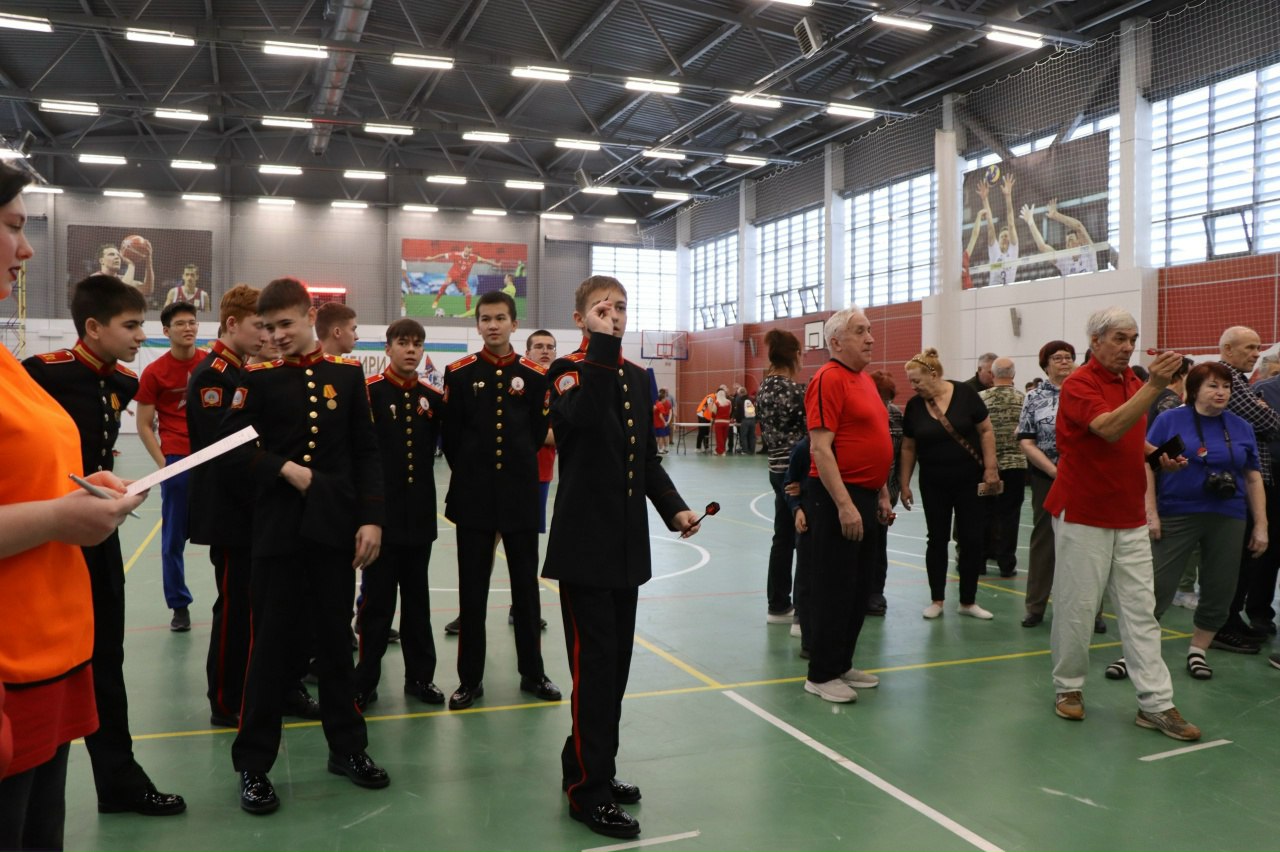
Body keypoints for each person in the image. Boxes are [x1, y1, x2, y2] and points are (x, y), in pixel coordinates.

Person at [0, 162, 147, 850]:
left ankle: (118, 775)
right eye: (12, 226)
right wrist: (60, 517)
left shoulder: (9, 365)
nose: (26, 249)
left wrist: (84, 491)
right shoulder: (44, 372)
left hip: (49, 654)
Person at [218, 276, 389, 814]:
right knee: (270, 649)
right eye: (268, 328)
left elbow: (366, 451)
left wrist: (372, 520)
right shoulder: (258, 378)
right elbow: (229, 448)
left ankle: (348, 748)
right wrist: (282, 468)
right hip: (277, 534)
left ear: (309, 316)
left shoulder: (346, 374)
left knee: (337, 645)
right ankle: (253, 764)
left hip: (334, 531)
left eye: (285, 324)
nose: (276, 336)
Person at [22, 275, 185, 819]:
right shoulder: (41, 376)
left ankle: (117, 780)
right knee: (54, 665)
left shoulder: (120, 383)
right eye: (132, 325)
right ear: (93, 328)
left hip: (99, 538)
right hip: (49, 539)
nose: (143, 335)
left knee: (106, 661)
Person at [543, 275, 700, 839]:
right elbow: (582, 422)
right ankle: (587, 793)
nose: (616, 316)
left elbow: (646, 460)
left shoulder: (636, 376)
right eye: (604, 309)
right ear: (581, 316)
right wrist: (601, 348)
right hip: (584, 548)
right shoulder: (564, 371)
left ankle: (592, 765)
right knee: (594, 670)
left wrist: (675, 510)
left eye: (623, 308)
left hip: (627, 547)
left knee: (616, 673)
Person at [1044, 306, 1200, 741]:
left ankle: (1155, 704)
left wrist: (1155, 453)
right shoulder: (1079, 384)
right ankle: (1068, 688)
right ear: (1094, 342)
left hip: (1128, 514)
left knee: (1140, 612)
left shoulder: (1132, 381)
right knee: (1078, 607)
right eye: (1119, 338)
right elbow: (1110, 428)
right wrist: (1155, 385)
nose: (1128, 346)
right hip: (1084, 513)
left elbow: (1131, 435)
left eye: (1132, 338)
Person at [440, 291, 560, 710]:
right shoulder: (458, 374)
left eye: (500, 318)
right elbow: (451, 438)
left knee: (526, 590)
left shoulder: (534, 375)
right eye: (486, 319)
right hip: (473, 499)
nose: (493, 325)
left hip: (520, 497)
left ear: (514, 324)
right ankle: (469, 680)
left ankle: (533, 673)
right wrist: (476, 474)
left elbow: (536, 430)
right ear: (477, 325)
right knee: (472, 592)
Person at [1113, 363, 1266, 681]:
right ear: (1195, 390)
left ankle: (1198, 650)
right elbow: (1149, 465)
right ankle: (1133, 652)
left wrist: (1261, 525)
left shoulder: (1240, 427)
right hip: (1177, 512)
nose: (1221, 392)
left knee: (1220, 587)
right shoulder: (1172, 421)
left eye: (1226, 386)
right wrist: (1150, 512)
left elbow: (1252, 477)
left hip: (1228, 516)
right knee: (1157, 585)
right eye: (1213, 386)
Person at [184, 285, 267, 728]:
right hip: (231, 512)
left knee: (249, 605)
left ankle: (244, 690)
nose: (264, 333)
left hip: (248, 510)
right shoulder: (215, 375)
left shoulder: (239, 371)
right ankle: (225, 698)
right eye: (258, 324)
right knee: (234, 608)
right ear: (233, 324)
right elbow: (228, 448)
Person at [801, 307, 893, 703]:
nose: (870, 338)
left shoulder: (864, 381)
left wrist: (883, 491)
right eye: (860, 332)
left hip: (867, 496)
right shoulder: (828, 379)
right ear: (836, 342)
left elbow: (873, 437)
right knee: (834, 588)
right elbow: (821, 449)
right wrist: (844, 504)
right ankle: (820, 674)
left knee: (858, 589)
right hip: (838, 497)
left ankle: (841, 663)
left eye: (870, 331)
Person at [355, 319, 446, 710]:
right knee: (376, 605)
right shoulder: (369, 393)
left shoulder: (432, 398)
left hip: (420, 517)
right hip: (381, 519)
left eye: (417, 344)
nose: (411, 350)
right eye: (403, 343)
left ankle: (420, 678)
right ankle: (365, 680)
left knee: (417, 603)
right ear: (388, 348)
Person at [898, 348, 1001, 619]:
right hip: (933, 483)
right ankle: (937, 600)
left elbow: (986, 431)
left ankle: (968, 601)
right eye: (910, 381)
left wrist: (991, 468)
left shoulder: (966, 394)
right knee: (937, 538)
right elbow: (908, 447)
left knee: (971, 538)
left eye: (916, 380)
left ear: (933, 374)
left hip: (970, 480)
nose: (913, 386)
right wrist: (904, 482)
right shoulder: (914, 406)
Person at [135, 300, 201, 630]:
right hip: (176, 458)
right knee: (173, 539)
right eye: (180, 324)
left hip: (215, 457)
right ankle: (179, 604)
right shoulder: (154, 372)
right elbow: (144, 425)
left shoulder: (210, 365)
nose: (188, 328)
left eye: (192, 322)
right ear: (166, 331)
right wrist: (164, 465)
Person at [1215, 326, 1280, 647]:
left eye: (1258, 348)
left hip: (1251, 480)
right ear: (1228, 350)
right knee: (1240, 555)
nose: (1256, 354)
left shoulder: (1239, 381)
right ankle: (1223, 623)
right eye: (1249, 348)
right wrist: (1265, 414)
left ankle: (1231, 618)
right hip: (1241, 483)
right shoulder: (1228, 377)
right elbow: (1265, 421)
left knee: (1247, 556)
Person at [1017, 341, 1076, 628]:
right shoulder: (1034, 397)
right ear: (1046, 364)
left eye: (1068, 357)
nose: (1064, 362)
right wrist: (1054, 471)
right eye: (1058, 358)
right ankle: (1035, 606)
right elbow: (1027, 442)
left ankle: (1094, 611)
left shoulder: (1085, 391)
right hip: (1046, 476)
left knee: (1086, 543)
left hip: (1084, 477)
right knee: (1044, 541)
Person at [757, 329, 807, 624]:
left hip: (776, 469)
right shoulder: (794, 391)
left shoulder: (764, 387)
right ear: (793, 355)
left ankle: (778, 604)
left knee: (783, 538)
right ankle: (802, 613)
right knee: (804, 542)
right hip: (797, 473)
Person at [979, 357, 1027, 577]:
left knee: (983, 514)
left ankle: (979, 561)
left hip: (986, 466)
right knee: (1010, 515)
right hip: (1016, 465)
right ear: (1014, 375)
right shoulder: (1024, 399)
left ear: (992, 375)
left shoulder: (980, 399)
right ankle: (1007, 564)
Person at [866, 370, 903, 616]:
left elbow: (902, 454)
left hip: (887, 491)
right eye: (881, 395)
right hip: (864, 488)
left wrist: (896, 490)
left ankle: (875, 593)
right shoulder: (863, 413)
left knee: (879, 545)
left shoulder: (897, 415)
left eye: (888, 397)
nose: (885, 401)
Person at [1019, 198, 1098, 278]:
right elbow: (1042, 247)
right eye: (1067, 243)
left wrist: (1056, 215)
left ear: (1080, 242)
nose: (1068, 245)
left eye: (1071, 240)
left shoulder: (1089, 252)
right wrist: (1030, 222)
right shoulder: (1065, 260)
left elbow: (1079, 226)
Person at [428, 244, 498, 317]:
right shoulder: (456, 254)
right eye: (467, 251)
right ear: (464, 249)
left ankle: (468, 312)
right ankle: (436, 300)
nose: (468, 253)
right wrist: (432, 258)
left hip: (462, 280)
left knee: (468, 293)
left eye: (469, 252)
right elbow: (443, 255)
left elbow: (485, 260)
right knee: (446, 282)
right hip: (452, 275)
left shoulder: (473, 257)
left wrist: (495, 264)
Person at [979, 175, 1018, 286]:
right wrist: (985, 199)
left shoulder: (1013, 249)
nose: (1005, 238)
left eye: (1007, 236)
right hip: (993, 295)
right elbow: (990, 226)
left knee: (1011, 224)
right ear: (998, 240)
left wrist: (1008, 196)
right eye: (1002, 236)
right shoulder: (994, 250)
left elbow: (1010, 222)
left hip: (1009, 294)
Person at [961, 200, 989, 290]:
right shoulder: (949, 264)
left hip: (970, 293)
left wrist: (979, 215)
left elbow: (974, 235)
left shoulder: (964, 256)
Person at [736, 386, 757, 455]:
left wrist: (737, 420)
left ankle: (745, 450)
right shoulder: (751, 399)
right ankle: (752, 450)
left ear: (739, 393)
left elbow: (739, 412)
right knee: (752, 436)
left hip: (745, 420)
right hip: (753, 419)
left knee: (743, 436)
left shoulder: (739, 400)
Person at [694, 387, 717, 452]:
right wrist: (713, 416)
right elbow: (710, 408)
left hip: (707, 416)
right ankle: (698, 447)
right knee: (702, 431)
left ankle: (706, 447)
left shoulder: (716, 398)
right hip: (702, 415)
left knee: (707, 431)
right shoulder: (711, 397)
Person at [712, 386, 732, 455]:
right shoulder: (728, 402)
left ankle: (720, 451)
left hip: (718, 422)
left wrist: (713, 419)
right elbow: (730, 412)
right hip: (726, 422)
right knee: (724, 437)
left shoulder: (717, 402)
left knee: (719, 437)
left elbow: (713, 413)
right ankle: (723, 450)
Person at [653, 388, 673, 454]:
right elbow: (660, 415)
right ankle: (661, 449)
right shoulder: (660, 405)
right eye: (664, 398)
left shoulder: (656, 404)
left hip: (656, 423)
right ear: (662, 399)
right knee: (661, 436)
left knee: (658, 437)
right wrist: (665, 422)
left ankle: (657, 448)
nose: (665, 399)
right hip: (660, 423)